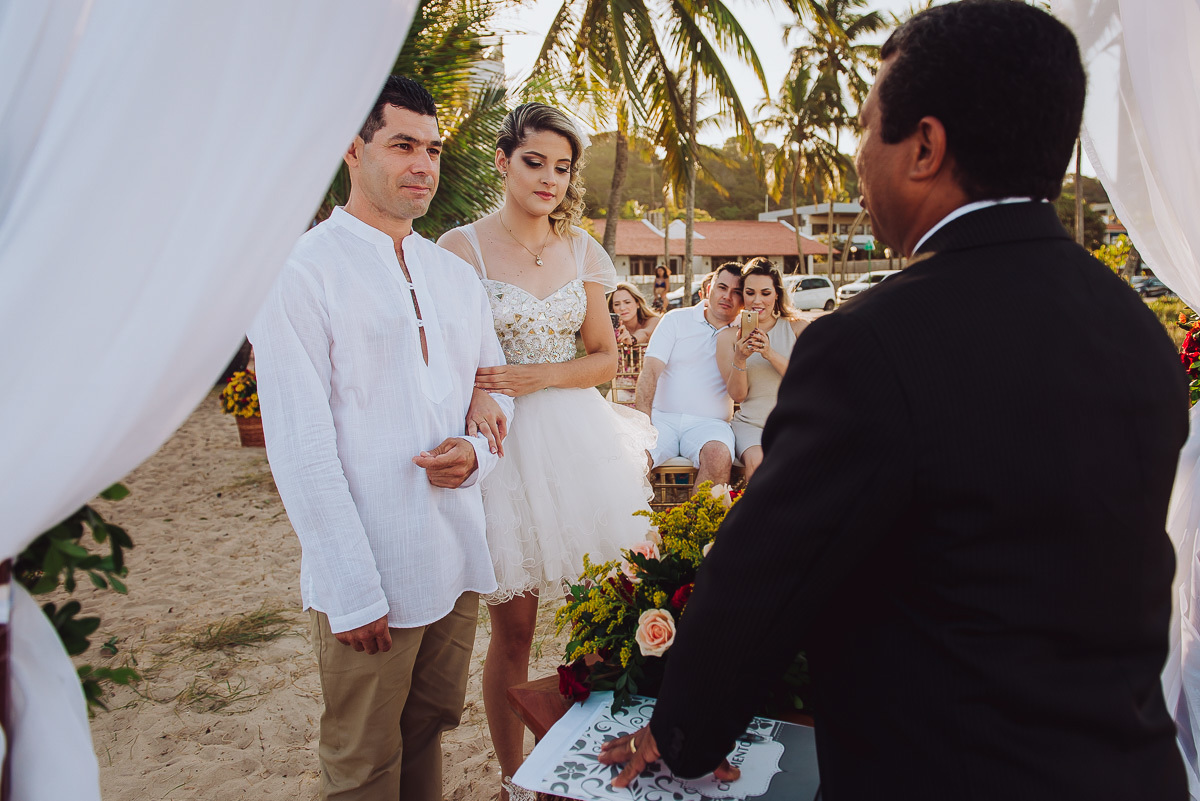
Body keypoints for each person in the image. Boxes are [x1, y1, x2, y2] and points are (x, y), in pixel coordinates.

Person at [600, 3, 1190, 799]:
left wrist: (682, 733)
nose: (855, 158)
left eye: (865, 128)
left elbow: (768, 571)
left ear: (924, 146)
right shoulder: (1138, 333)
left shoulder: (871, 344)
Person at [249, 76, 515, 801]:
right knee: (363, 764)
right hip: (370, 575)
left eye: (431, 148)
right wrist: (351, 586)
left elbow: (493, 394)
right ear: (351, 148)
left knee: (427, 730)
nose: (422, 165)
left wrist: (478, 454)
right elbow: (299, 446)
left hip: (454, 558)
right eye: (402, 145)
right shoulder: (300, 271)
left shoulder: (451, 276)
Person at [437, 102, 655, 801]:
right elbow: (443, 357)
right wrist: (479, 392)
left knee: (598, 610)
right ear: (503, 162)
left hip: (578, 440)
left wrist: (540, 376)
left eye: (562, 167)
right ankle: (514, 776)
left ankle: (585, 757)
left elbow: (602, 358)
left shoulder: (584, 251)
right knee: (517, 622)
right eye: (535, 161)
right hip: (503, 444)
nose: (550, 179)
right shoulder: (459, 249)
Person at [636, 262, 743, 488]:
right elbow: (650, 372)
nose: (728, 296)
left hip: (711, 424)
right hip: (662, 419)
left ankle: (697, 524)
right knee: (634, 458)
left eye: (737, 292)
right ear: (707, 289)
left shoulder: (743, 332)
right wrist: (643, 422)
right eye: (722, 288)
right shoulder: (676, 320)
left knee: (719, 455)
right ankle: (637, 523)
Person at [716, 258, 808, 482]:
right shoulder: (728, 337)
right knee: (758, 464)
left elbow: (807, 382)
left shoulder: (798, 329)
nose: (757, 300)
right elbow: (738, 396)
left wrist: (769, 353)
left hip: (793, 422)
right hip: (752, 425)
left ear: (777, 294)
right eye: (750, 293)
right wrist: (740, 357)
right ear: (742, 295)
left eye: (765, 293)